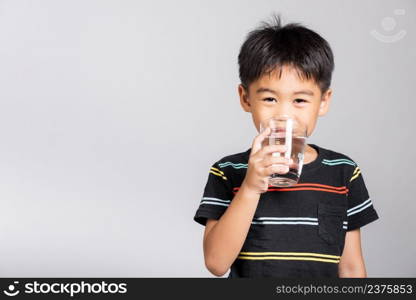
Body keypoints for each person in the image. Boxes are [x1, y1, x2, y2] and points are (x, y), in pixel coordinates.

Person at [193, 15, 379, 278]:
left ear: (324, 101)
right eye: (269, 98)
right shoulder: (228, 171)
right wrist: (249, 187)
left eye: (300, 100)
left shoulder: (343, 172)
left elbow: (350, 267)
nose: (284, 115)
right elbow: (216, 263)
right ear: (245, 98)